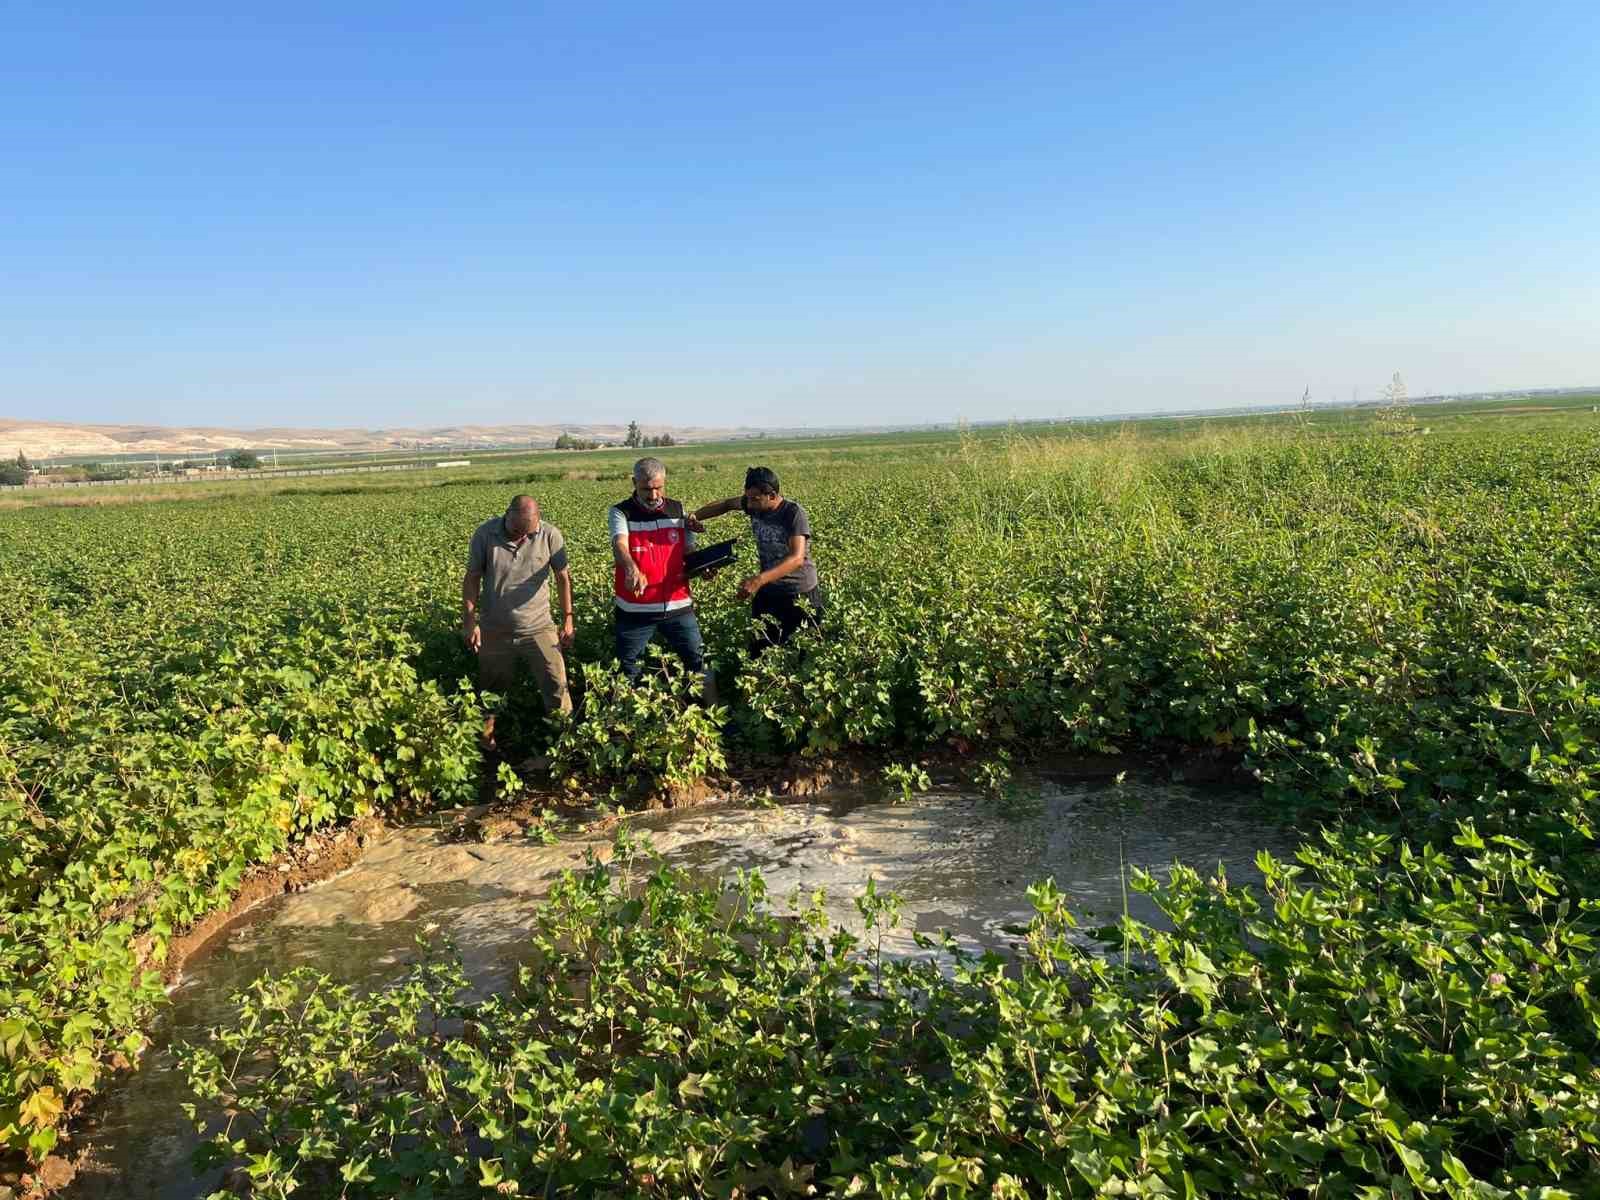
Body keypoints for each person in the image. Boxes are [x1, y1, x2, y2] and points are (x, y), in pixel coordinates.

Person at [462, 495, 575, 741]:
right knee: (490, 689)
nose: (521, 537)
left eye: (528, 532)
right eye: (516, 531)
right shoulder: (485, 534)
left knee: (556, 684)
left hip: (539, 626)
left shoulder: (549, 535)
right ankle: (485, 742)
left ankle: (564, 743)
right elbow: (472, 578)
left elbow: (563, 577)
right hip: (495, 628)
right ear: (507, 515)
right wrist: (470, 622)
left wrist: (568, 618)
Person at [693, 466, 822, 652]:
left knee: (804, 651)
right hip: (769, 590)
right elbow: (727, 504)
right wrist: (693, 516)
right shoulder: (753, 505)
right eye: (748, 497)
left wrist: (758, 580)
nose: (749, 504)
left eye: (755, 499)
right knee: (760, 648)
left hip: (800, 593)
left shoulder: (793, 513)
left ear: (772, 495)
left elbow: (797, 558)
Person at [610, 457, 710, 685]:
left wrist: (702, 568)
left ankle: (715, 716)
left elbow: (689, 551)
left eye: (658, 488)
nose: (653, 495)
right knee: (628, 671)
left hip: (678, 605)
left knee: (698, 664)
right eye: (646, 489)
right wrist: (631, 569)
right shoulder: (620, 512)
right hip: (635, 609)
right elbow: (620, 545)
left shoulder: (679, 510)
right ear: (634, 482)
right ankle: (625, 718)